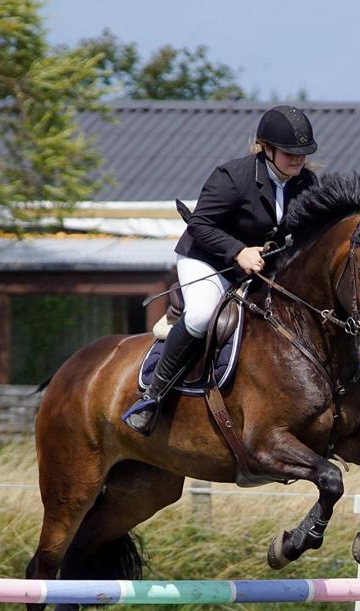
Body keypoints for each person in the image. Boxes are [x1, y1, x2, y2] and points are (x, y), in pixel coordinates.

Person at [123, 105, 320, 435]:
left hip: (257, 266)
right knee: (201, 315)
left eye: (302, 152)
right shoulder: (233, 178)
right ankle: (152, 397)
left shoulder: (306, 182)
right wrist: (237, 251)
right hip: (207, 259)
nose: (297, 159)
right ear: (267, 149)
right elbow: (200, 225)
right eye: (289, 152)